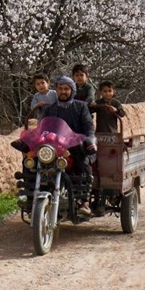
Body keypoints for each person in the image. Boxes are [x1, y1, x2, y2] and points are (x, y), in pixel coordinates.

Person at [41, 76, 97, 216]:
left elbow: (89, 128)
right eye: (60, 88)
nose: (63, 91)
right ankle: (31, 197)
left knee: (83, 164)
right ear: (56, 90)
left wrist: (90, 140)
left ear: (72, 91)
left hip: (77, 148)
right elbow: (43, 129)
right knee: (33, 163)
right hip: (55, 149)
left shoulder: (80, 106)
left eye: (66, 89)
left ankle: (84, 202)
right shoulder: (50, 109)